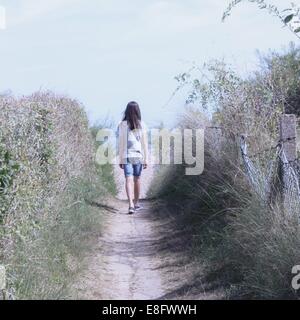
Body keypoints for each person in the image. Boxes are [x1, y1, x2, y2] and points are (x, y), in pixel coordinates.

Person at [118, 101, 148, 214]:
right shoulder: (142, 124)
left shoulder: (122, 125)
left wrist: (120, 158)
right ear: (138, 111)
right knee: (137, 179)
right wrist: (146, 158)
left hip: (126, 155)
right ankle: (136, 203)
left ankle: (130, 204)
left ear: (126, 111)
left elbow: (120, 143)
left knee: (128, 179)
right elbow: (145, 144)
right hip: (138, 155)